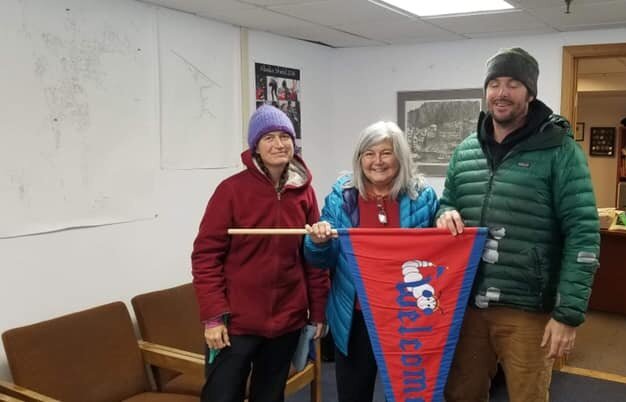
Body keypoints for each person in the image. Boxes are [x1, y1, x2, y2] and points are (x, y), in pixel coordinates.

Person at [437, 47, 600, 402]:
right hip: (467, 304)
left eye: (513, 84)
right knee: (460, 394)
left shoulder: (560, 150)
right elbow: (448, 201)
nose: (501, 93)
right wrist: (443, 213)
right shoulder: (465, 151)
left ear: (530, 92)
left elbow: (583, 233)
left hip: (529, 308)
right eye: (494, 83)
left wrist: (568, 314)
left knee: (527, 396)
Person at [192, 104, 329, 402]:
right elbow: (205, 257)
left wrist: (317, 312)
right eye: (269, 138)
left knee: (269, 396)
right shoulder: (230, 191)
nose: (279, 144)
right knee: (221, 396)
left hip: (287, 321)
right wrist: (213, 318)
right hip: (236, 324)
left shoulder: (304, 192)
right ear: (255, 147)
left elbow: (314, 260)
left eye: (284, 136)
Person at [303, 121, 438, 402]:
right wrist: (317, 242)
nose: (377, 161)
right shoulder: (342, 197)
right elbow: (322, 260)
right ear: (359, 158)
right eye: (369, 153)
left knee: (407, 396)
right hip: (355, 316)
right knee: (353, 394)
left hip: (405, 317)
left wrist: (447, 217)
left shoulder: (422, 197)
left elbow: (436, 254)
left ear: (399, 156)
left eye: (386, 153)